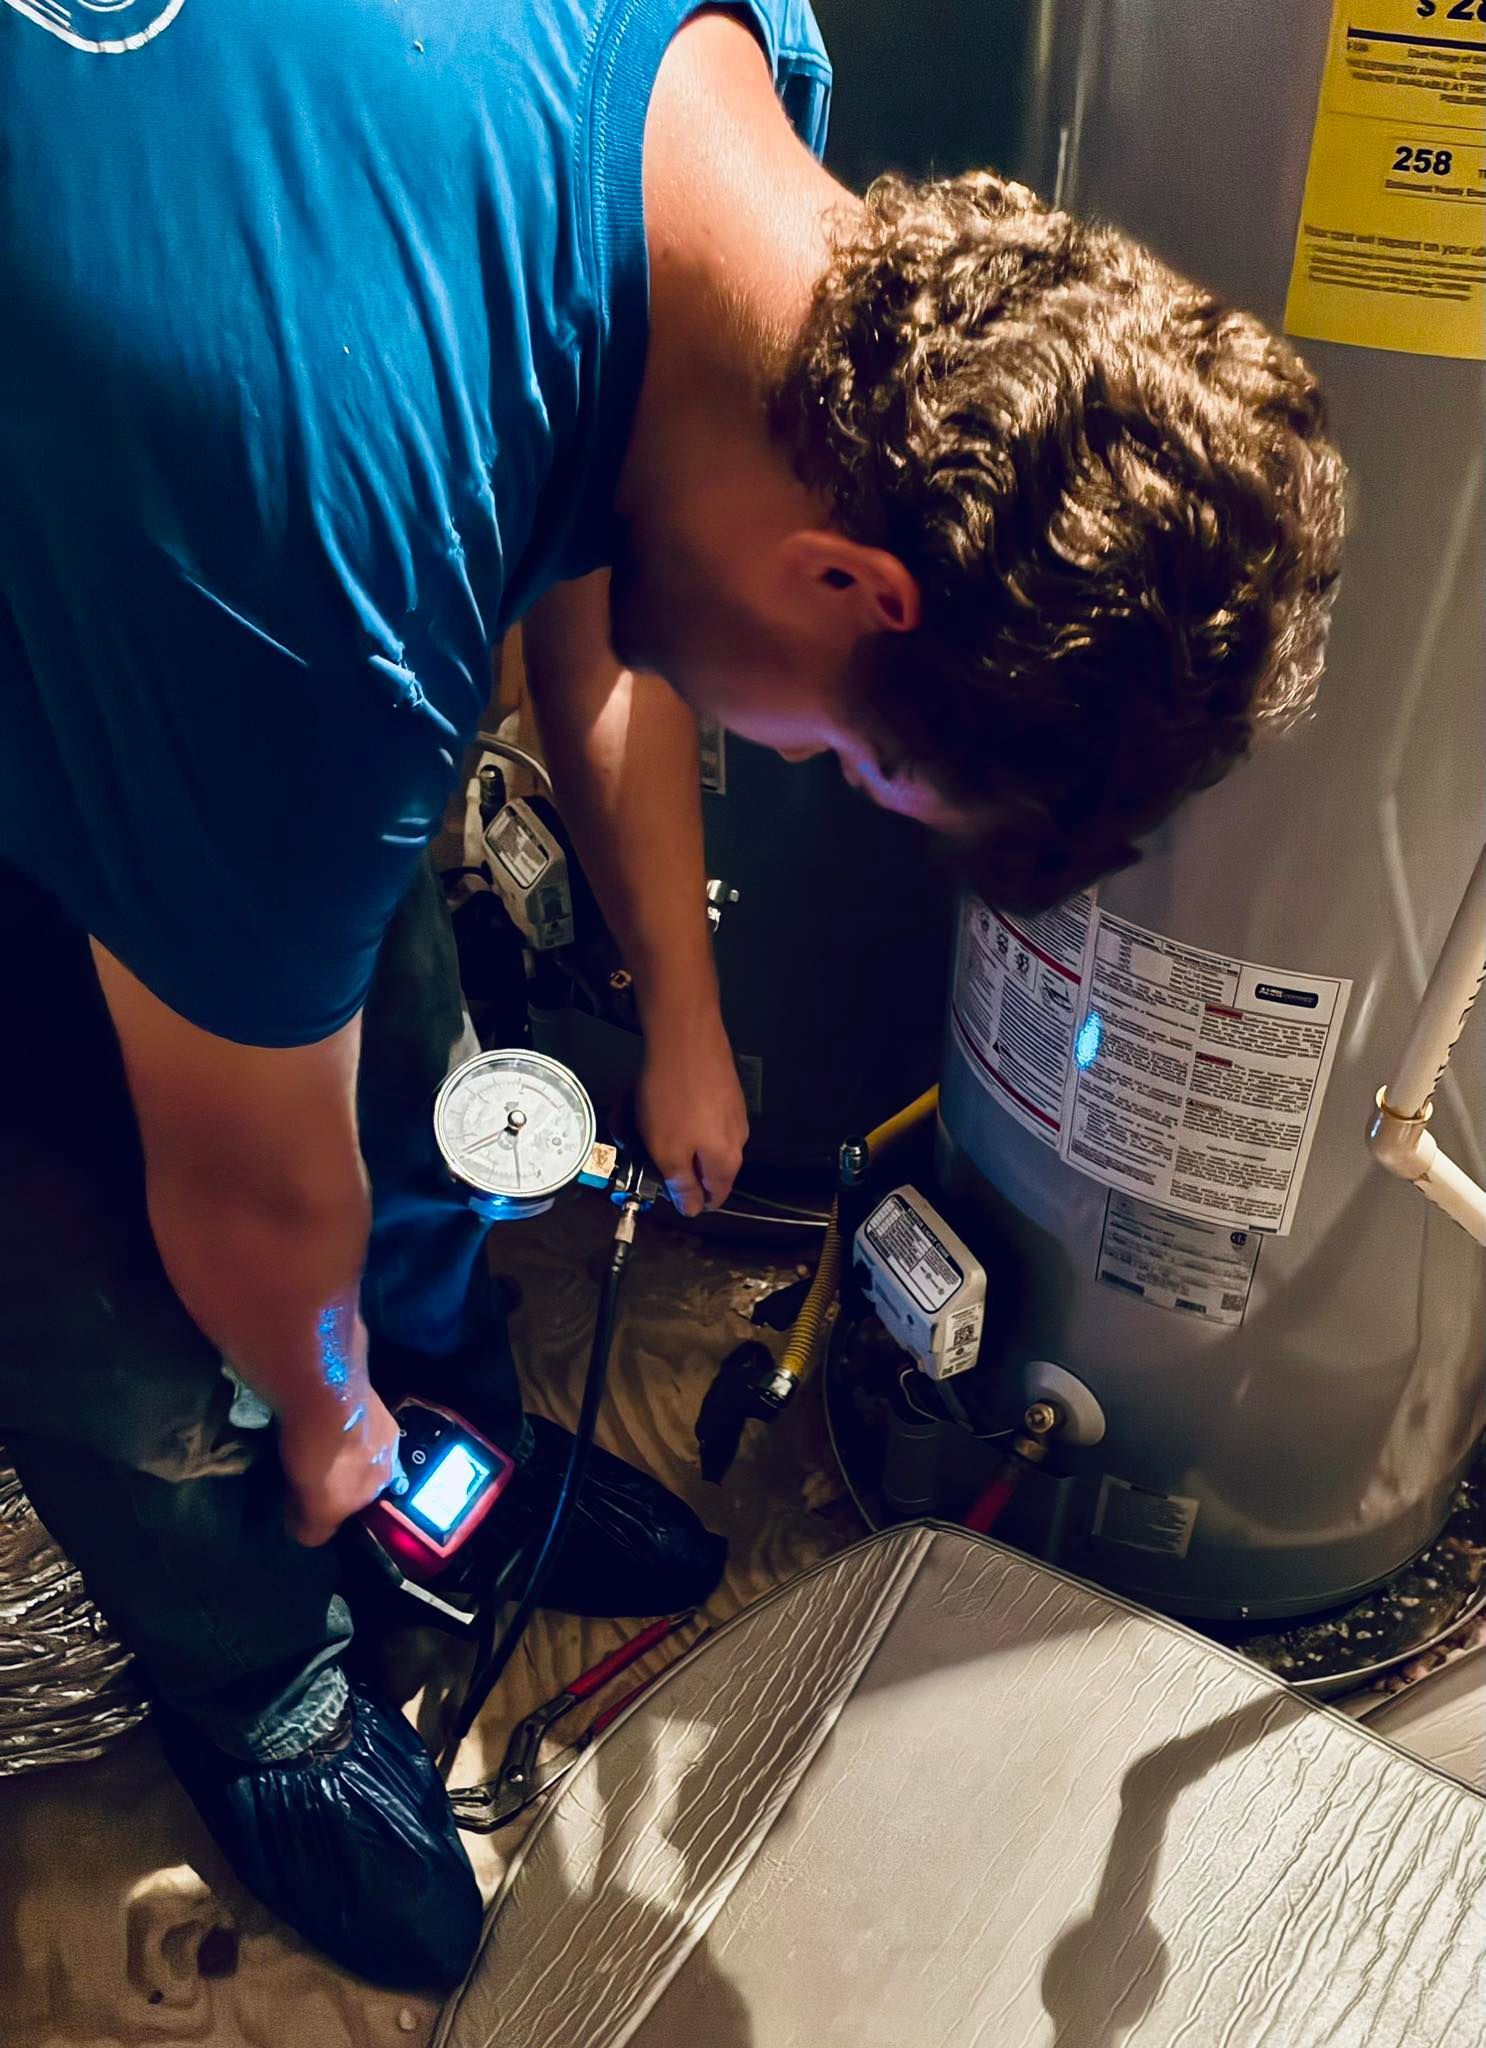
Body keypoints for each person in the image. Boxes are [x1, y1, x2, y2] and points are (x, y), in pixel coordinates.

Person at [0, 0, 1345, 1996]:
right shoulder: (319, 534)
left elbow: (580, 527)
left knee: (372, 1003)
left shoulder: (746, 144)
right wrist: (315, 1412)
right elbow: (243, 1187)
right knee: (104, 1282)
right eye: (855, 760)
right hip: (106, 557)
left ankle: (445, 1441)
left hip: (225, 524)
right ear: (853, 584)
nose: (809, 772)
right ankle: (256, 1669)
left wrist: (682, 1006)